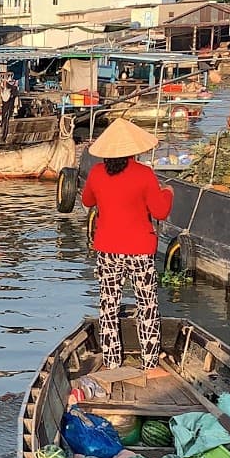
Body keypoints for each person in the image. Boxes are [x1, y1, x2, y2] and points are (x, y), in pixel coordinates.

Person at [80, 118, 174, 368]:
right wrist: (168, 193)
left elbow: (87, 201)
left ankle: (111, 362)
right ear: (133, 150)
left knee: (108, 306)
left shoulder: (97, 173)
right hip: (140, 251)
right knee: (147, 306)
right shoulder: (144, 174)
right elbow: (160, 211)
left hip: (108, 251)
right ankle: (150, 361)